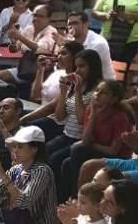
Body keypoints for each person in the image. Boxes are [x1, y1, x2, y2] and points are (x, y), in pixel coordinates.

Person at [56, 78, 133, 200]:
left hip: (117, 157)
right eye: (97, 90)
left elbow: (113, 151)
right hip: (96, 152)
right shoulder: (91, 110)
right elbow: (86, 140)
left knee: (77, 149)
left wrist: (91, 145)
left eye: (104, 93)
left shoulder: (120, 118)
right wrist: (93, 117)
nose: (97, 94)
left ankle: (76, 197)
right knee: (67, 164)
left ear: (113, 99)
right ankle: (63, 201)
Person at [42, 50, 105, 181]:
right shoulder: (76, 85)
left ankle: (59, 195)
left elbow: (82, 119)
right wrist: (64, 90)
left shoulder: (98, 90)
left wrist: (77, 92)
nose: (77, 71)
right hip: (67, 134)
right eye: (76, 67)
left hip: (81, 140)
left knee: (55, 159)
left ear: (93, 67)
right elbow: (60, 116)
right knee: (44, 150)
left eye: (82, 66)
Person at [0, 4, 60, 85]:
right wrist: (13, 39)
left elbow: (38, 48)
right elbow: (14, 49)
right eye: (34, 15)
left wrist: (19, 36)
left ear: (48, 19)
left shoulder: (51, 32)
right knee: (1, 75)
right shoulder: (29, 29)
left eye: (40, 16)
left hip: (42, 73)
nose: (36, 18)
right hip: (25, 69)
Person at [65, 11, 116, 80]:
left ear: (86, 24)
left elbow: (85, 68)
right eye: (69, 24)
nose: (71, 27)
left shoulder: (98, 43)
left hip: (102, 84)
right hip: (81, 80)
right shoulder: (70, 40)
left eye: (75, 23)